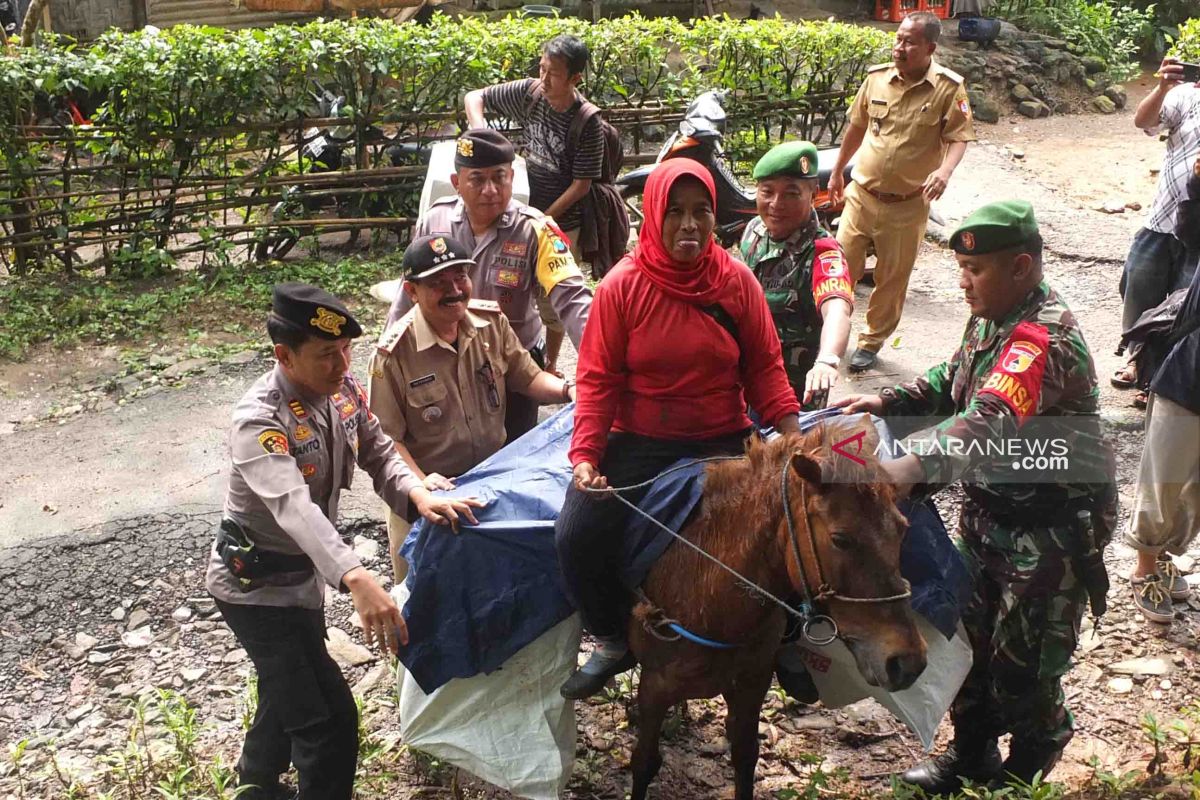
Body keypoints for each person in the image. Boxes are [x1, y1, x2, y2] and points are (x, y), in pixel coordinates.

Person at [837, 201, 1116, 791]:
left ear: (1021, 266)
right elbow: (956, 377)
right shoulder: (994, 316)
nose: (963, 283)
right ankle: (971, 756)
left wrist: (907, 466)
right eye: (961, 269)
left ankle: (1032, 756)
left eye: (977, 270)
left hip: (1048, 529)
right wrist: (887, 401)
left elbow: (988, 418)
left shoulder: (1043, 337)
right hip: (988, 515)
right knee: (965, 645)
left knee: (1025, 665)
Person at [206, 284, 482, 800]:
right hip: (256, 589)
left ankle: (256, 780)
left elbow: (377, 448)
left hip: (301, 581)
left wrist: (417, 492)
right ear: (283, 356)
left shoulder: (341, 387)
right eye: (326, 354)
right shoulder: (259, 420)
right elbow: (293, 507)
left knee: (288, 681)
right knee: (327, 719)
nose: (340, 365)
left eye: (345, 351)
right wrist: (356, 576)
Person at [555, 160, 803, 700]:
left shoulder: (737, 282)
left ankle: (790, 639)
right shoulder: (622, 288)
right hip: (640, 440)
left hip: (722, 436)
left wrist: (791, 434)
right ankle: (612, 638)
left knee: (793, 523)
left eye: (702, 212)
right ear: (652, 216)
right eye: (676, 213)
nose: (690, 225)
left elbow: (765, 366)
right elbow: (597, 380)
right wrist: (586, 459)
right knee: (574, 536)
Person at [368, 234, 577, 583]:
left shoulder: (491, 324)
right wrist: (421, 485)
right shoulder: (392, 355)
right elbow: (386, 442)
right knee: (421, 599)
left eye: (460, 277)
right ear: (412, 292)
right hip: (429, 498)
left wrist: (570, 390)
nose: (454, 290)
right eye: (438, 283)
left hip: (491, 492)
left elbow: (528, 379)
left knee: (491, 588)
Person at [385, 129, 592, 439]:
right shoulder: (435, 222)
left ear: (512, 178)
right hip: (449, 361)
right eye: (477, 180)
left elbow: (573, 300)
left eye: (499, 178)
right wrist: (387, 356)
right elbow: (409, 292)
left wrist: (600, 361)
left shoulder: (535, 229)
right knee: (458, 446)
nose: (490, 190)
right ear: (457, 183)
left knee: (517, 448)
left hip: (515, 363)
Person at [827, 11, 976, 373]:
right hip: (862, 194)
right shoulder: (877, 79)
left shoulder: (948, 87)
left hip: (907, 205)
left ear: (930, 47)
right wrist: (836, 172)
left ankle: (871, 341)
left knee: (892, 278)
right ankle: (832, 332)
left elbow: (958, 137)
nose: (900, 47)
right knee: (841, 267)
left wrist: (944, 171)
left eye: (909, 42)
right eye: (898, 39)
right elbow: (856, 127)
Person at [464, 34, 606, 372]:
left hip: (559, 220)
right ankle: (508, 358)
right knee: (508, 286)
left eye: (553, 74)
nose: (543, 80)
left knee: (554, 298)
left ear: (575, 78)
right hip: (518, 212)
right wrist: (480, 130)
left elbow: (581, 185)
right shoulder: (532, 93)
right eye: (541, 69)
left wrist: (542, 217)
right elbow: (475, 96)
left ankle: (551, 364)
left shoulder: (587, 122)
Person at [1125, 154, 1200, 624]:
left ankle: (1170, 557)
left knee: (1196, 488)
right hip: (1191, 371)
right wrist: (1195, 181)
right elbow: (1189, 231)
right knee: (1164, 473)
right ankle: (1144, 566)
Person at [1112, 57, 1200, 406]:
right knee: (1137, 287)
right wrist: (1163, 86)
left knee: (1186, 308)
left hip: (1198, 229)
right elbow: (1143, 121)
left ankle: (1161, 382)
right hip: (1162, 218)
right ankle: (1136, 360)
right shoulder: (1185, 96)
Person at [740, 140, 854, 408]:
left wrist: (827, 360)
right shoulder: (754, 230)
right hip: (746, 379)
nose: (776, 204)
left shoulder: (823, 252)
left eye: (791, 194)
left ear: (813, 193)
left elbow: (837, 309)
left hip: (793, 392)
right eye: (767, 191)